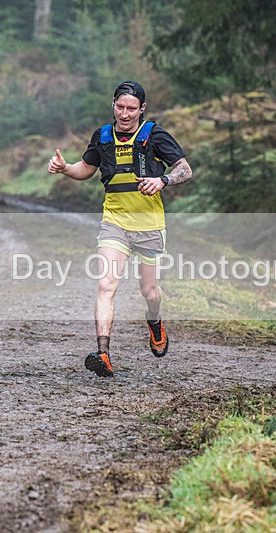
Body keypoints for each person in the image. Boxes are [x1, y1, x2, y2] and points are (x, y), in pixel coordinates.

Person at [47, 80, 193, 377]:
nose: (124, 114)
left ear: (142, 109)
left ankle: (154, 322)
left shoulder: (154, 134)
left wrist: (162, 180)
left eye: (131, 108)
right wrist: (65, 168)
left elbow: (184, 169)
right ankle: (103, 353)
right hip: (114, 223)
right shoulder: (102, 136)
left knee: (149, 292)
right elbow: (85, 170)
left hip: (149, 226)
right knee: (106, 286)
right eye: (120, 107)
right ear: (113, 104)